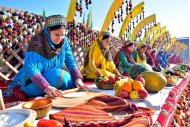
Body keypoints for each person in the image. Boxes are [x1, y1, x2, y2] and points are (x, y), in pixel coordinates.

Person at [10, 15, 89, 98]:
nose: (60, 38)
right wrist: (46, 87)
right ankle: (23, 90)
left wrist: (77, 78)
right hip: (34, 78)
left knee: (68, 79)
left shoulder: (64, 41)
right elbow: (31, 67)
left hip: (53, 74)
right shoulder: (37, 41)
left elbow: (69, 60)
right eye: (57, 35)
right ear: (48, 31)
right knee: (58, 76)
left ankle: (54, 88)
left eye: (62, 35)